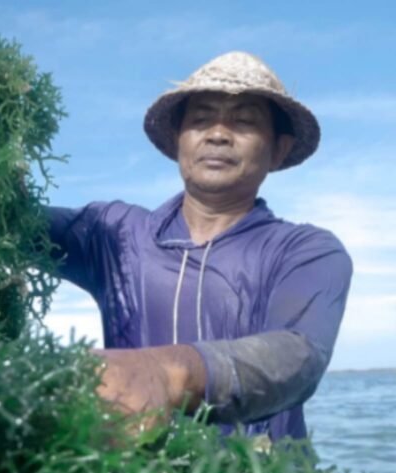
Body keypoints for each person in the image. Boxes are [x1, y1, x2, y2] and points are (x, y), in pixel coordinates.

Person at [48, 51, 352, 440]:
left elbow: (299, 354)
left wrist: (168, 372)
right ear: (179, 140)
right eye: (200, 119)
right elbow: (2, 218)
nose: (218, 133)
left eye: (244, 121)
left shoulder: (306, 250)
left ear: (278, 148)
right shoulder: (114, 234)